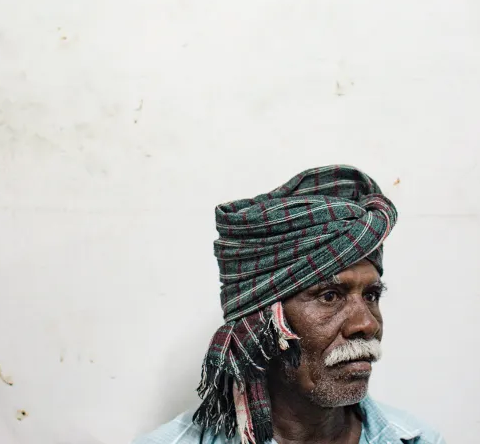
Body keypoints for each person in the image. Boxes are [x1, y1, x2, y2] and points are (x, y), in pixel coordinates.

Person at [133, 165, 445, 444]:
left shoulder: (420, 439)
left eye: (371, 296)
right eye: (330, 296)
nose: (367, 324)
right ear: (262, 322)